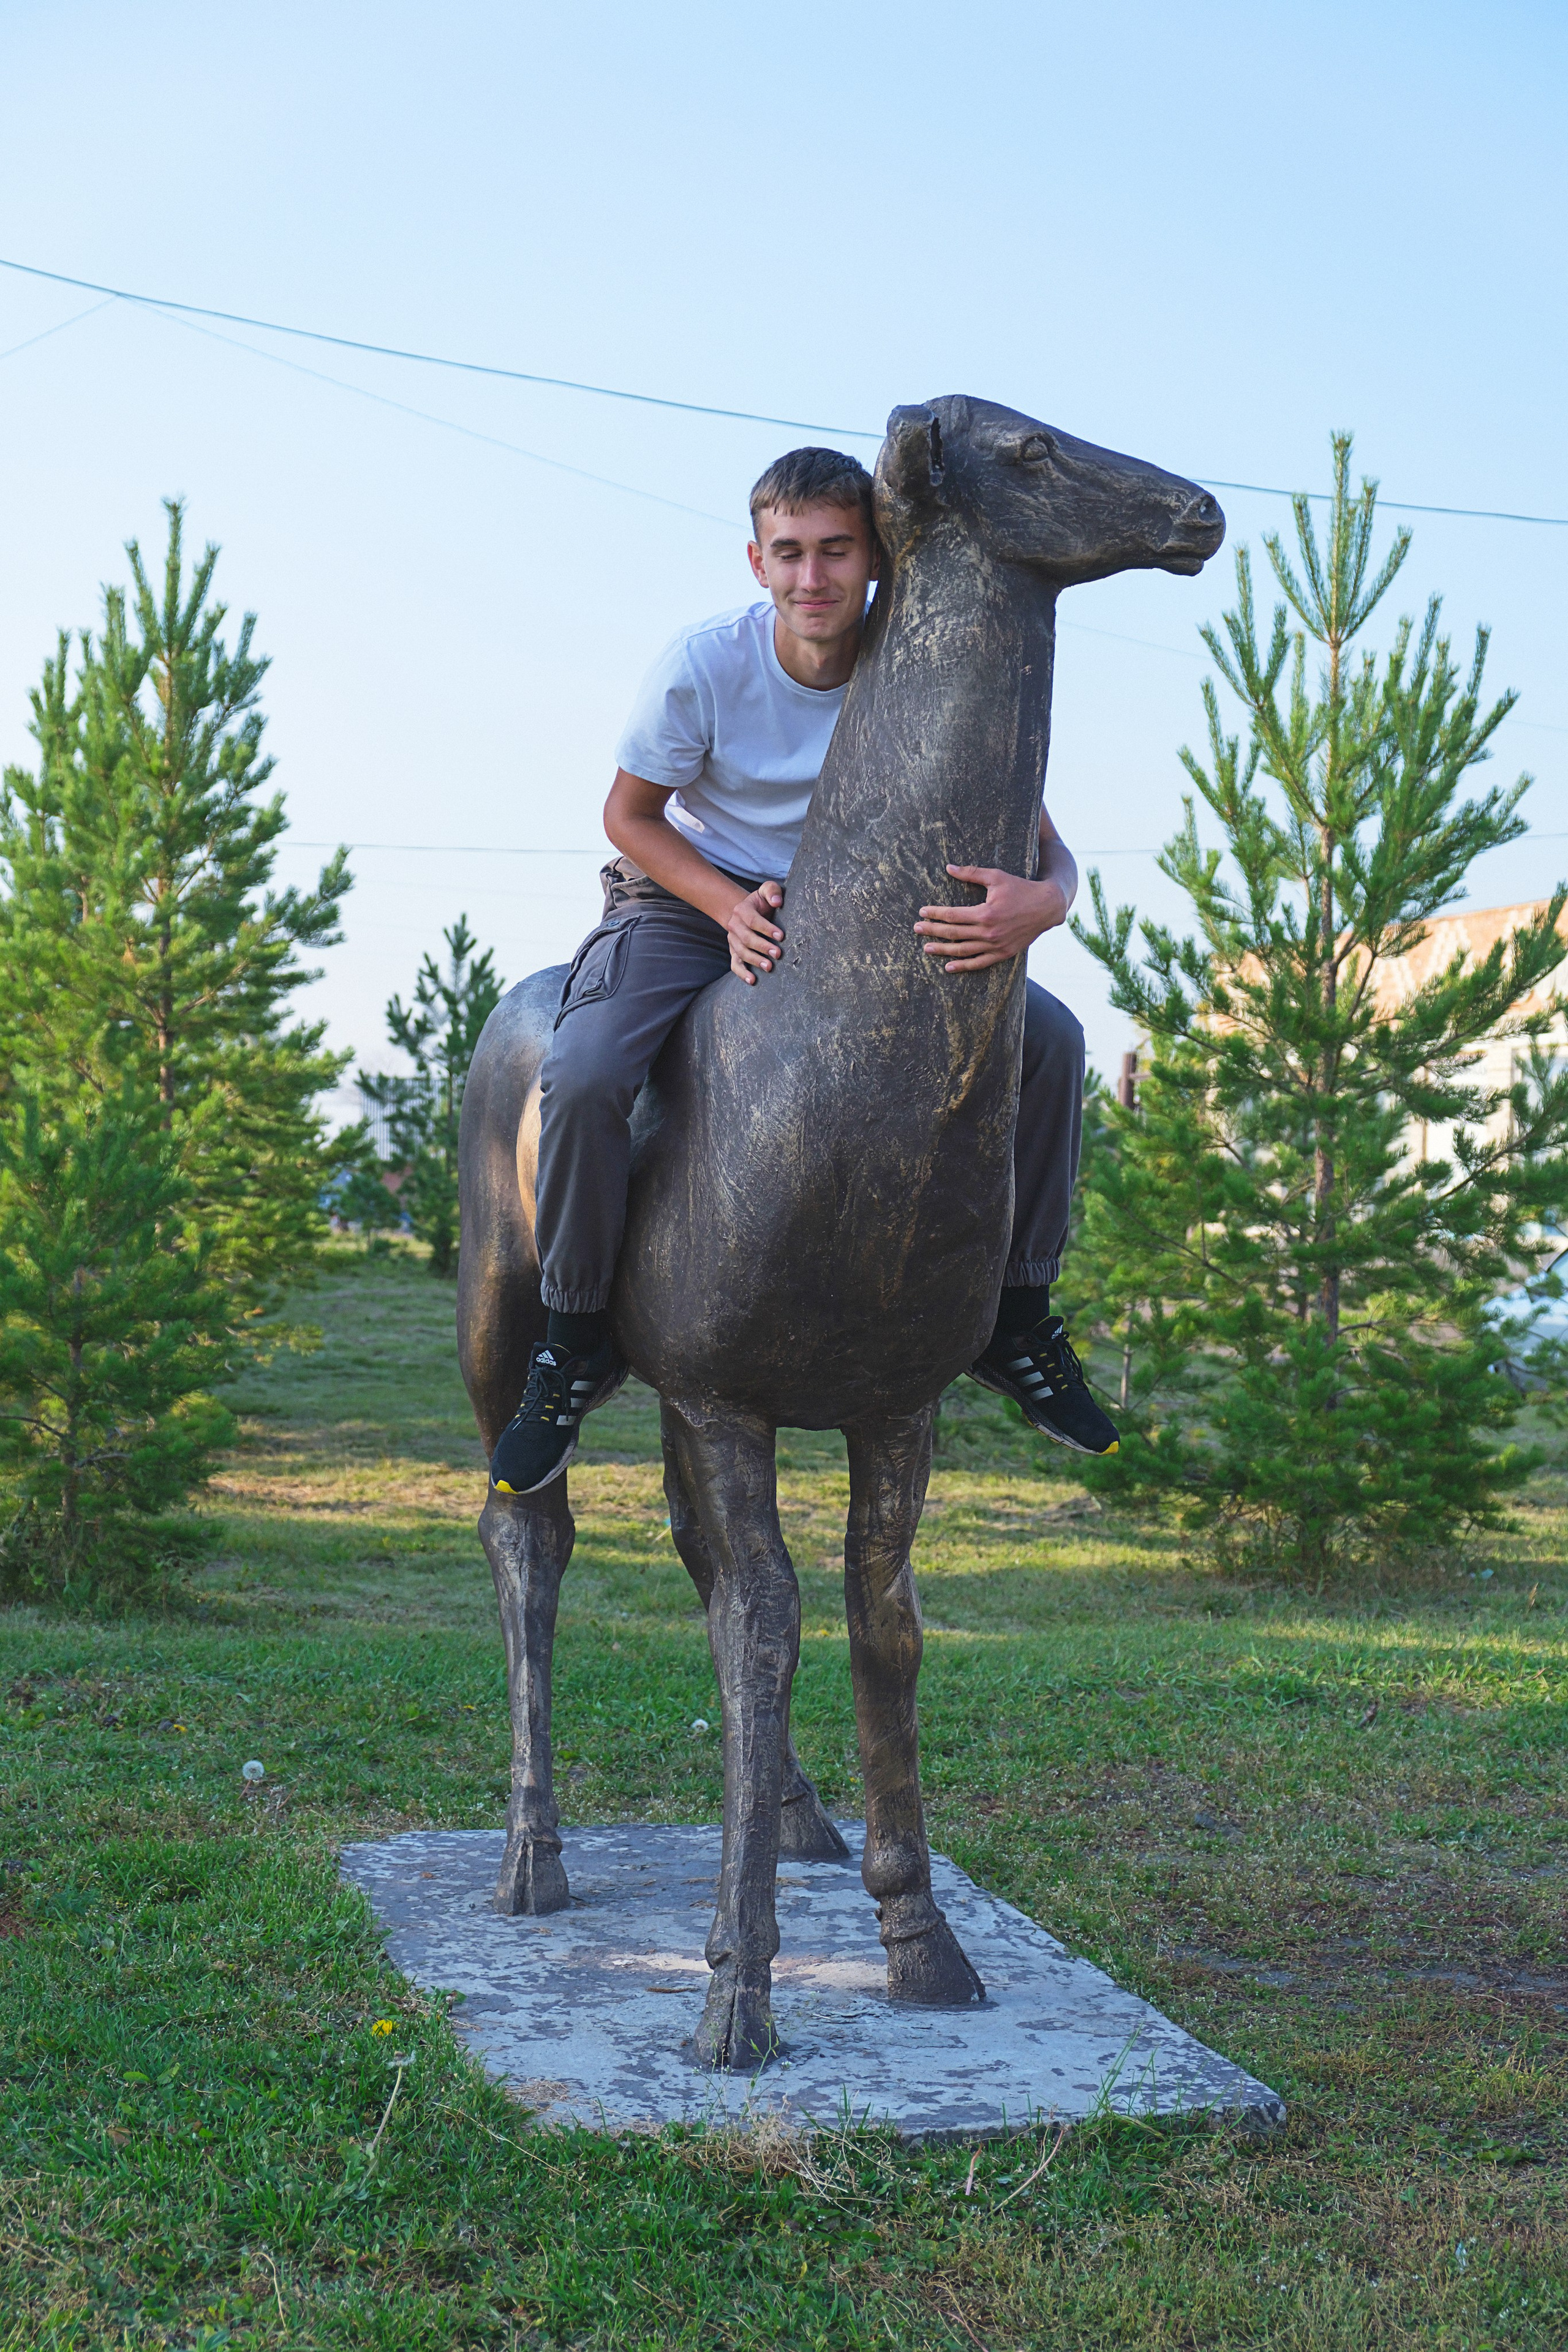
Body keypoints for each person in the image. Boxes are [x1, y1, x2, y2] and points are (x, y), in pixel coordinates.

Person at [489, 447, 1120, 1494]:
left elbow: (1043, 842)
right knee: (589, 1070)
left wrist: (1047, 901)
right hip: (695, 896)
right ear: (756, 561)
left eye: (836, 550)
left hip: (865, 911)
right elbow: (628, 817)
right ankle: (573, 1338)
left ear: (873, 556)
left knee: (1053, 1041)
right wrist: (726, 906)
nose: (813, 578)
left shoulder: (916, 666)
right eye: (790, 554)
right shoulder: (706, 666)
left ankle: (1018, 1320)